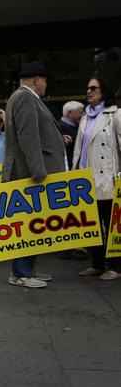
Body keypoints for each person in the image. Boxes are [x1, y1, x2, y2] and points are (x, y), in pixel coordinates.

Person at [2, 61, 67, 288]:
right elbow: (28, 136)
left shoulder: (20, 97)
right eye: (45, 81)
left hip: (26, 171)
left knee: (32, 224)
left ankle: (26, 269)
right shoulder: (25, 97)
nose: (46, 85)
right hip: (28, 173)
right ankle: (21, 272)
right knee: (28, 224)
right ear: (37, 79)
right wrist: (39, 170)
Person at [72, 75, 121, 280]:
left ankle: (116, 266)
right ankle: (97, 264)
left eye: (93, 88)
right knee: (91, 224)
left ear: (104, 91)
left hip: (108, 178)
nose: (89, 91)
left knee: (112, 225)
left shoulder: (115, 115)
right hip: (86, 179)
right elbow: (79, 150)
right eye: (88, 88)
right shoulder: (85, 117)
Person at [57, 100, 84, 169]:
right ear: (70, 113)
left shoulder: (77, 126)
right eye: (80, 113)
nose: (83, 115)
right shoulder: (60, 127)